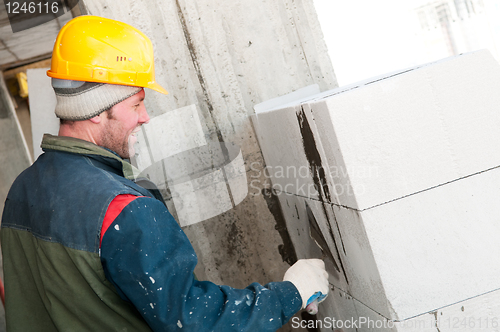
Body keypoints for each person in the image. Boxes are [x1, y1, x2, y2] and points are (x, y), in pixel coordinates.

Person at [1, 15, 329, 331]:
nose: (144, 117)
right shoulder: (121, 207)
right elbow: (195, 322)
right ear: (97, 111)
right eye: (136, 104)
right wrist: (291, 293)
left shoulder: (21, 190)